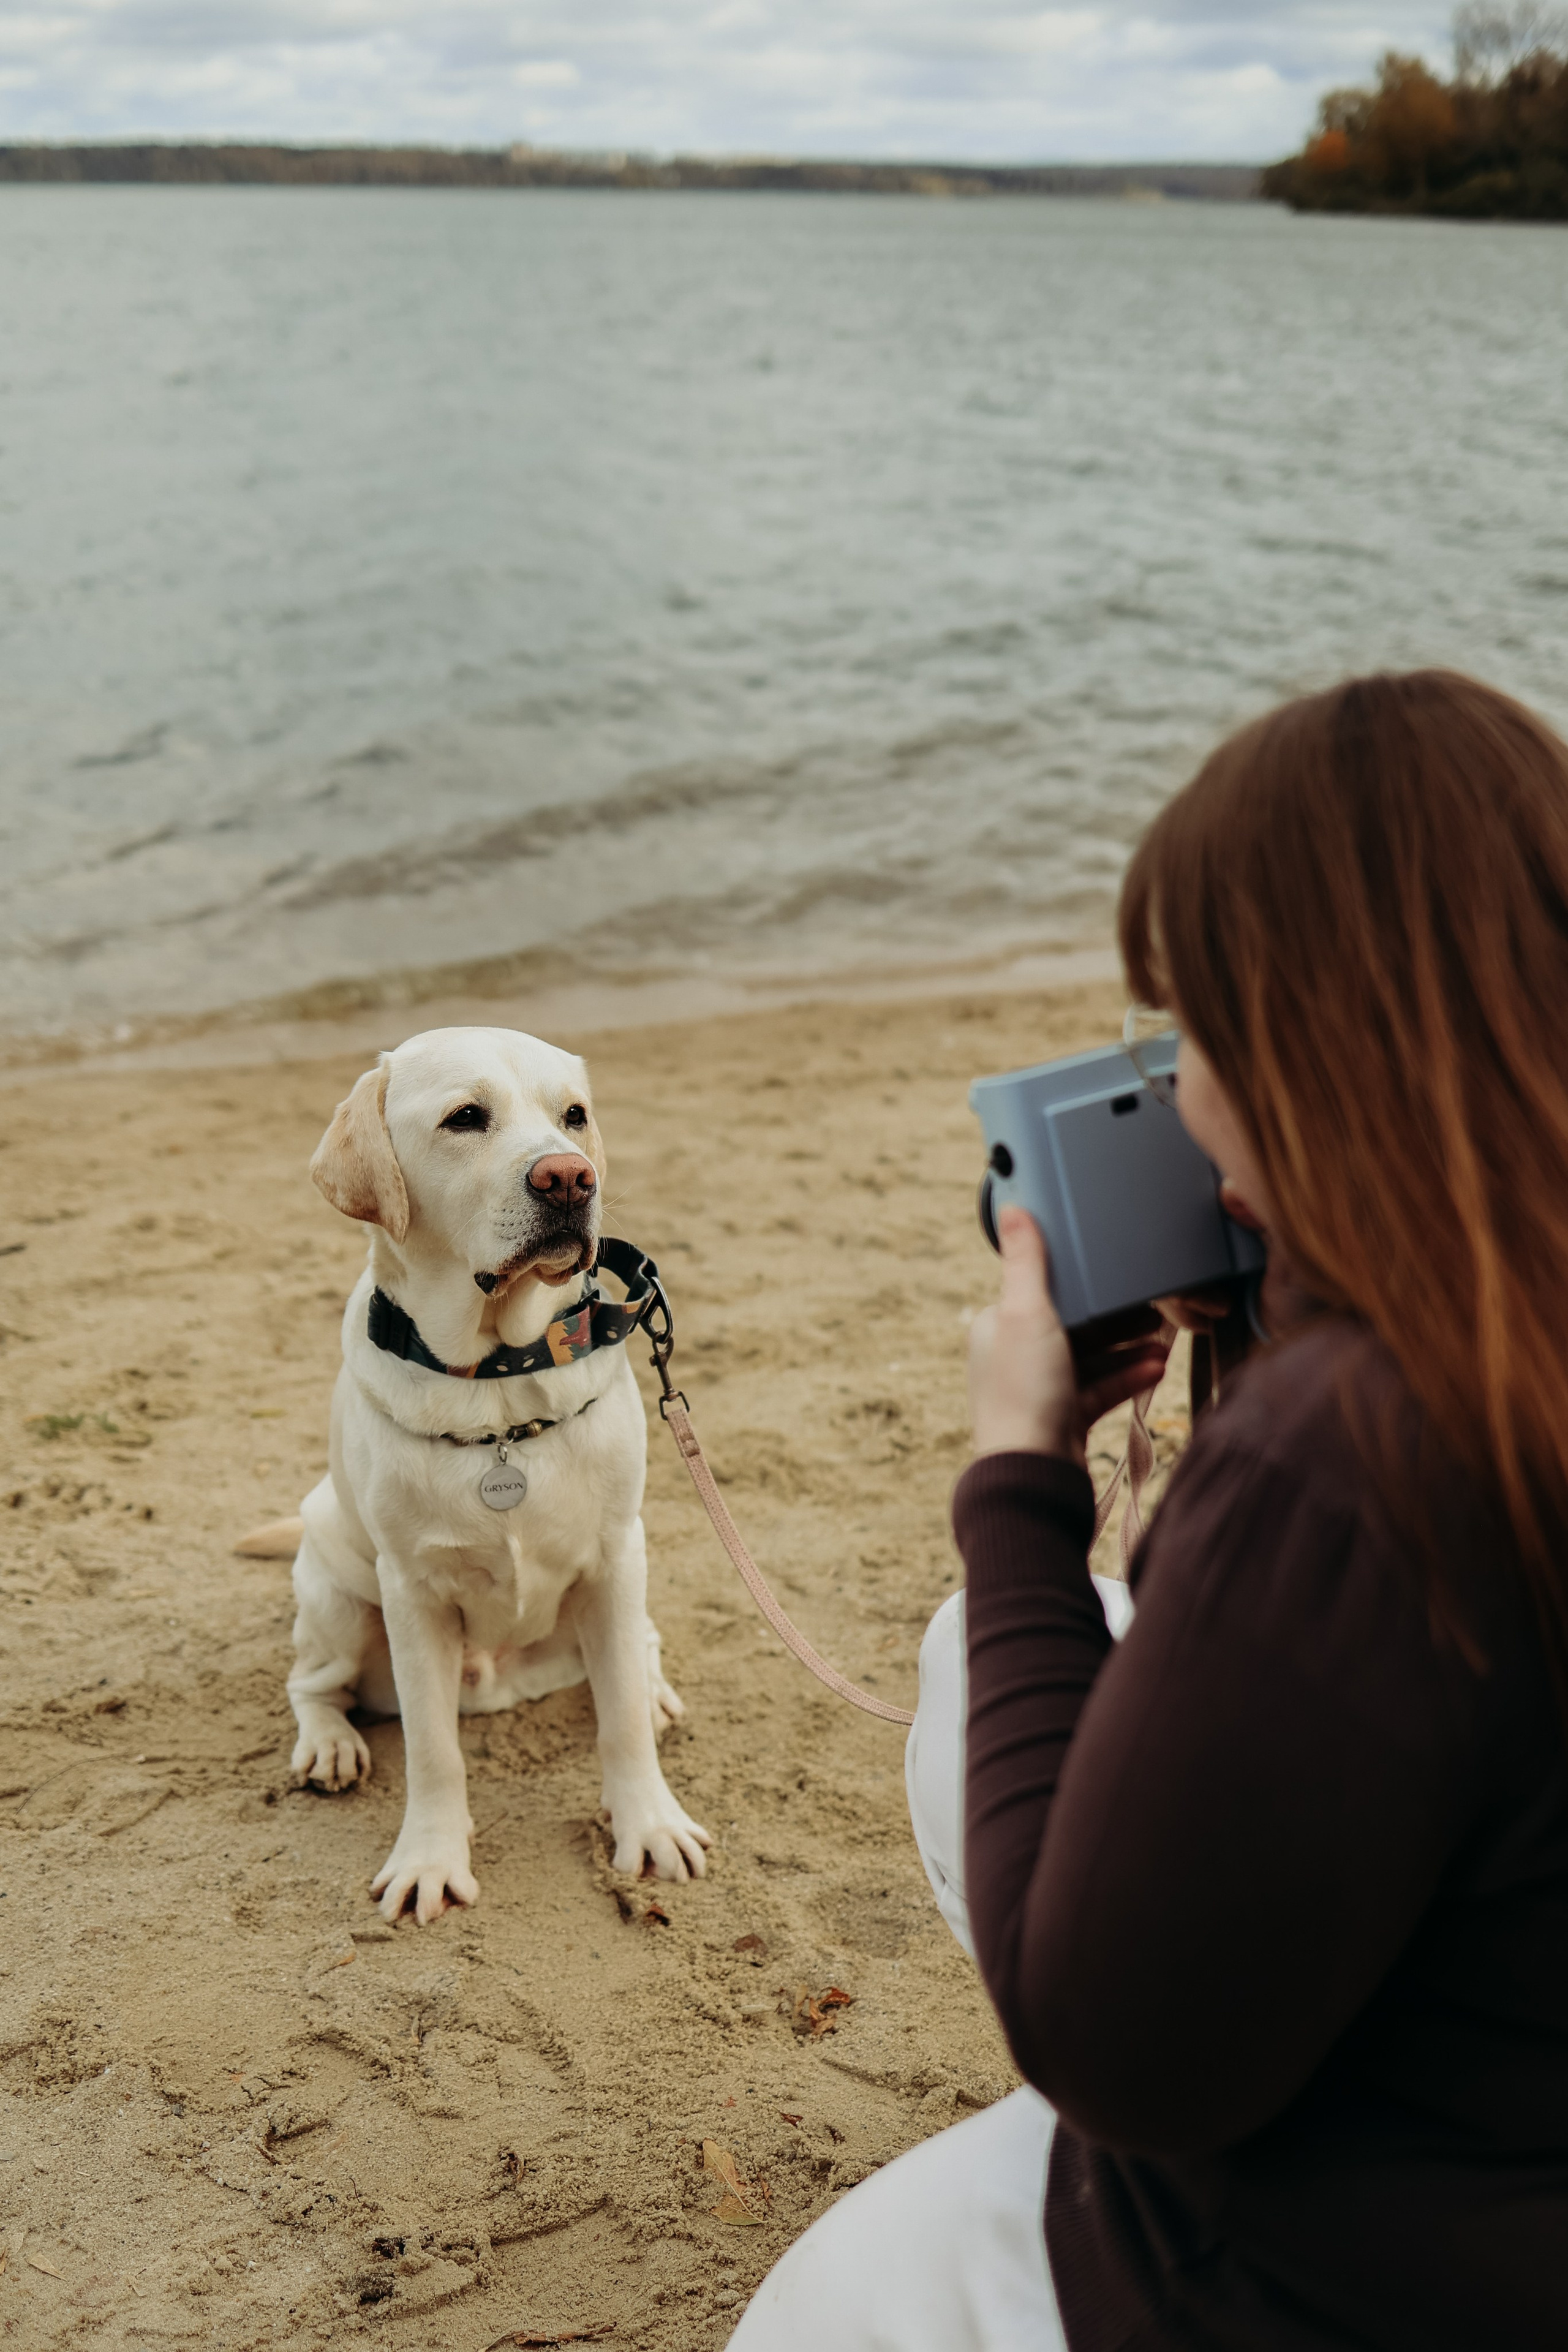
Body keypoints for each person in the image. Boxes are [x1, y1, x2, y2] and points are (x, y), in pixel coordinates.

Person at [731, 670, 1568, 2348]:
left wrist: (1021, 1485)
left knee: (832, 2312)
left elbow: (1114, 2057)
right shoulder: (1458, 1355)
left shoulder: (1355, 1451)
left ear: (1304, 1046)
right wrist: (1283, 1310)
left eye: (1196, 1036)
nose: (1179, 1092)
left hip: (1341, 2278)